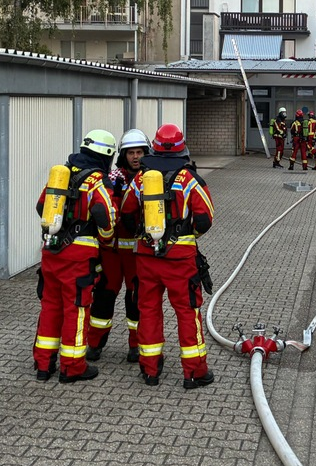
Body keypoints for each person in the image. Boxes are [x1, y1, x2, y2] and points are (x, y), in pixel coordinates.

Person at [120, 124, 216, 389]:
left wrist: (145, 234)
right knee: (187, 312)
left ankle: (150, 370)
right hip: (180, 260)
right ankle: (194, 373)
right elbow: (205, 219)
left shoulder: (141, 178)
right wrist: (186, 235)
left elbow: (126, 212)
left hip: (146, 259)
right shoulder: (189, 179)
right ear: (181, 148)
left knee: (148, 310)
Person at [33, 129, 117, 384]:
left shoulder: (61, 175)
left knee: (50, 307)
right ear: (106, 156)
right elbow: (104, 213)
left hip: (51, 252)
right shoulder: (96, 181)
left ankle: (43, 365)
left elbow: (41, 207)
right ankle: (72, 367)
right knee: (76, 309)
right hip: (78, 258)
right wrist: (106, 236)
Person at [87, 128, 149, 363]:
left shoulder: (152, 179)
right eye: (131, 152)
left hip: (137, 251)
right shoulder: (111, 178)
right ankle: (94, 344)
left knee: (137, 299)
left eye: (140, 152)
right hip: (111, 251)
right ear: (123, 155)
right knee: (104, 296)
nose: (136, 157)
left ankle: (136, 345)